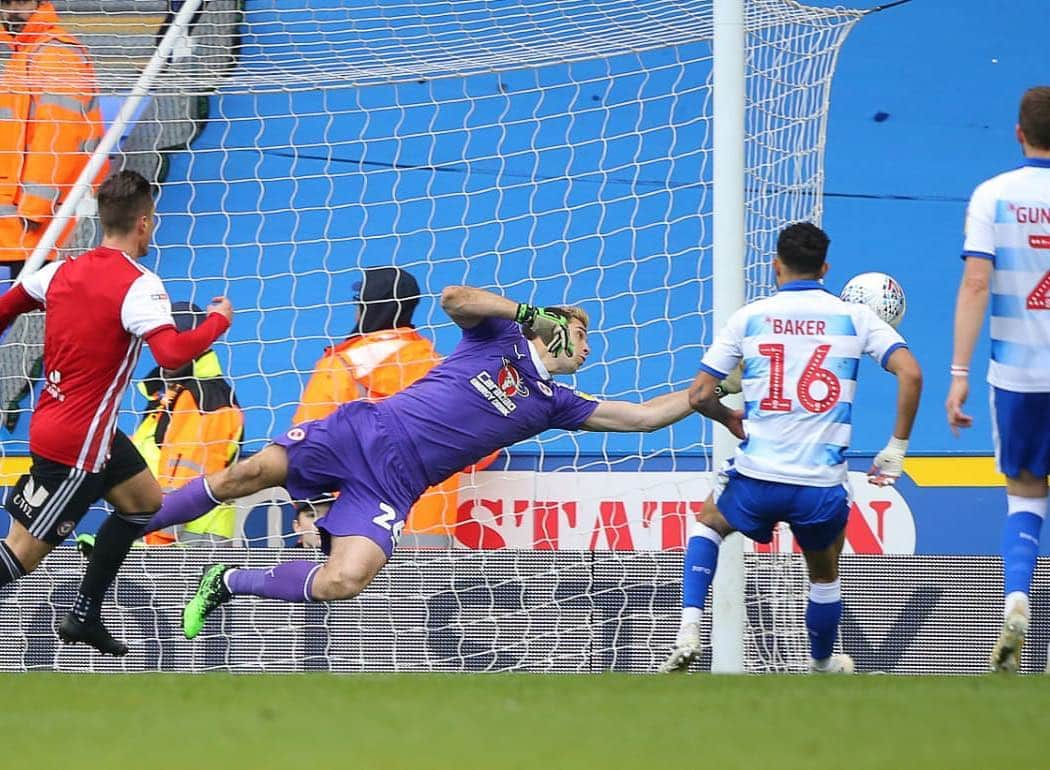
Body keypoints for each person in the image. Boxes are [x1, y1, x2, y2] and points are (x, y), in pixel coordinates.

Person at [147, 285, 699, 640]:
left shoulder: (556, 402)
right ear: (551, 328)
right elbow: (456, 299)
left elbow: (643, 419)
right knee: (248, 473)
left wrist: (707, 389)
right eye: (582, 336)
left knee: (345, 580)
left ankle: (229, 581)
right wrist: (528, 313)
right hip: (361, 430)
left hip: (394, 485)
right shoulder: (500, 335)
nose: (588, 348)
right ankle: (134, 524)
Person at [660, 222, 922, 674]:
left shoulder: (749, 316)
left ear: (776, 265)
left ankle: (688, 627)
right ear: (825, 267)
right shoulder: (856, 318)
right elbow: (912, 374)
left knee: (708, 525)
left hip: (759, 474)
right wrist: (896, 447)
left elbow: (700, 394)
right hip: (820, 484)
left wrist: (731, 419)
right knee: (824, 574)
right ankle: (821, 665)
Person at [0, 170, 233, 655]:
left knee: (144, 502)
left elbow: (7, 306)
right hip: (79, 446)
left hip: (77, 428)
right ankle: (84, 612)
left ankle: (86, 613)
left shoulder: (60, 271)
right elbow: (171, 355)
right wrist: (217, 322)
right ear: (144, 223)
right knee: (21, 554)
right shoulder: (139, 285)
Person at [947, 86, 1050, 673]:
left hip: (1017, 375)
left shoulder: (993, 195)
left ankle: (1016, 595)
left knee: (1025, 493)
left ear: (1018, 133)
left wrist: (958, 375)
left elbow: (976, 286)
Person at [294, 266, 496, 542]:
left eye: (358, 303)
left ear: (367, 307)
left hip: (357, 528)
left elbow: (304, 448)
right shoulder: (443, 368)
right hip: (429, 532)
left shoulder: (339, 365)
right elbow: (482, 452)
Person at [0, 1, 107, 272]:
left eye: (20, 1)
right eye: (5, 3)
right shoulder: (25, 55)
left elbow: (58, 138)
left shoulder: (54, 55)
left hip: (38, 224)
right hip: (24, 224)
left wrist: (35, 208)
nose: (11, 11)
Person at [132, 301, 243, 546]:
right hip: (165, 537)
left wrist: (155, 544)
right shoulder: (169, 395)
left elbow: (183, 480)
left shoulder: (203, 398)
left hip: (184, 545)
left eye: (175, 340)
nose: (165, 350)